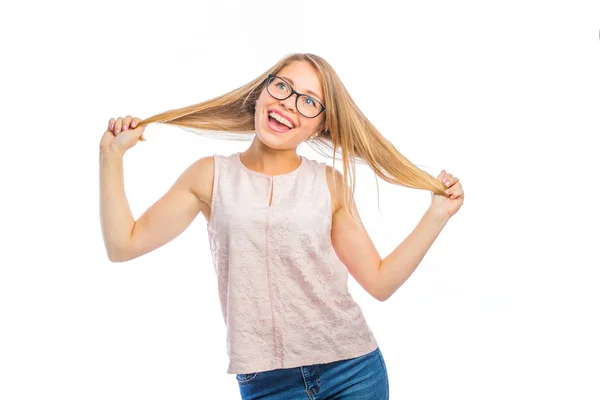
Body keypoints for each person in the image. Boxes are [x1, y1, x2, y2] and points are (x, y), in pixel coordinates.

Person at [99, 53, 464, 400]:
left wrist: (437, 216)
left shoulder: (329, 183)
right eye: (283, 87)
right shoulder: (210, 176)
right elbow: (123, 245)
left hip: (353, 370)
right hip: (268, 384)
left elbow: (380, 282)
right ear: (262, 92)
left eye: (309, 101)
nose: (290, 103)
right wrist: (111, 156)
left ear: (320, 123)